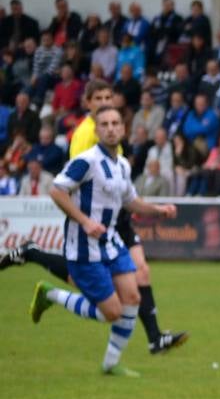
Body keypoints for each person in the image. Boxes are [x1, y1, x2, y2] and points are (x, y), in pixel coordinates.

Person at [0, 80, 188, 354]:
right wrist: (86, 220)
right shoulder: (86, 138)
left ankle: (152, 339)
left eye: (107, 97)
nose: (103, 103)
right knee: (103, 293)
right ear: (88, 103)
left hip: (114, 216)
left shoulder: (118, 154)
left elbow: (125, 191)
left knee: (137, 278)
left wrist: (158, 210)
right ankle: (38, 264)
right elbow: (71, 185)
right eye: (97, 98)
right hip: (94, 222)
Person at [29, 106, 178, 376]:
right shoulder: (86, 161)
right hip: (84, 248)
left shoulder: (122, 164)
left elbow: (130, 201)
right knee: (112, 312)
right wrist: (85, 221)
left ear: (123, 129)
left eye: (115, 123)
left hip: (111, 242)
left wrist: (158, 210)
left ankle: (111, 363)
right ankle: (50, 294)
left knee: (133, 297)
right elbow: (57, 190)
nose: (110, 128)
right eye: (105, 124)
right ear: (97, 130)